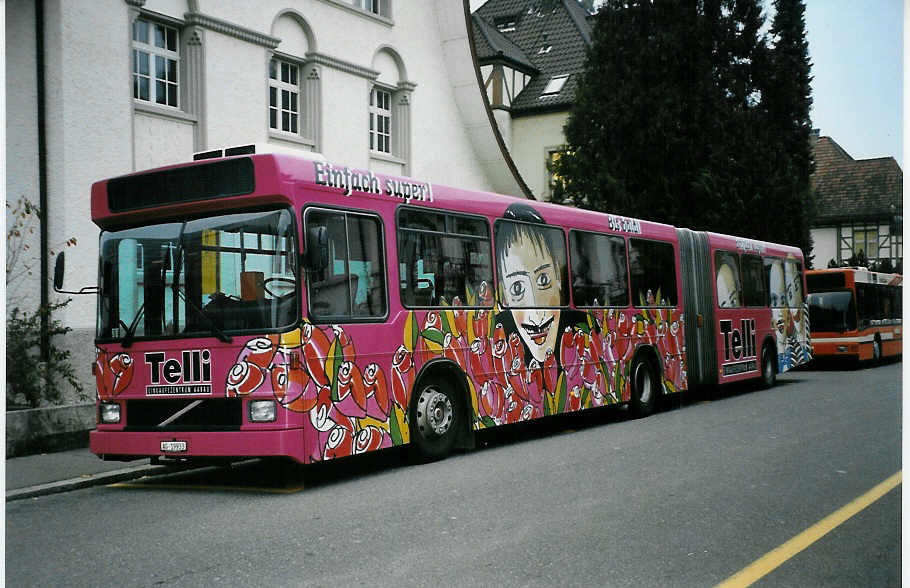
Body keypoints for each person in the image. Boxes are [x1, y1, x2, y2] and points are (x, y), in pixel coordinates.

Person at [495, 203, 582, 366]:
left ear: (558, 276)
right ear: (504, 297)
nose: (536, 317)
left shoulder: (585, 327)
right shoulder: (496, 338)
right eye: (517, 288)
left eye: (543, 280)